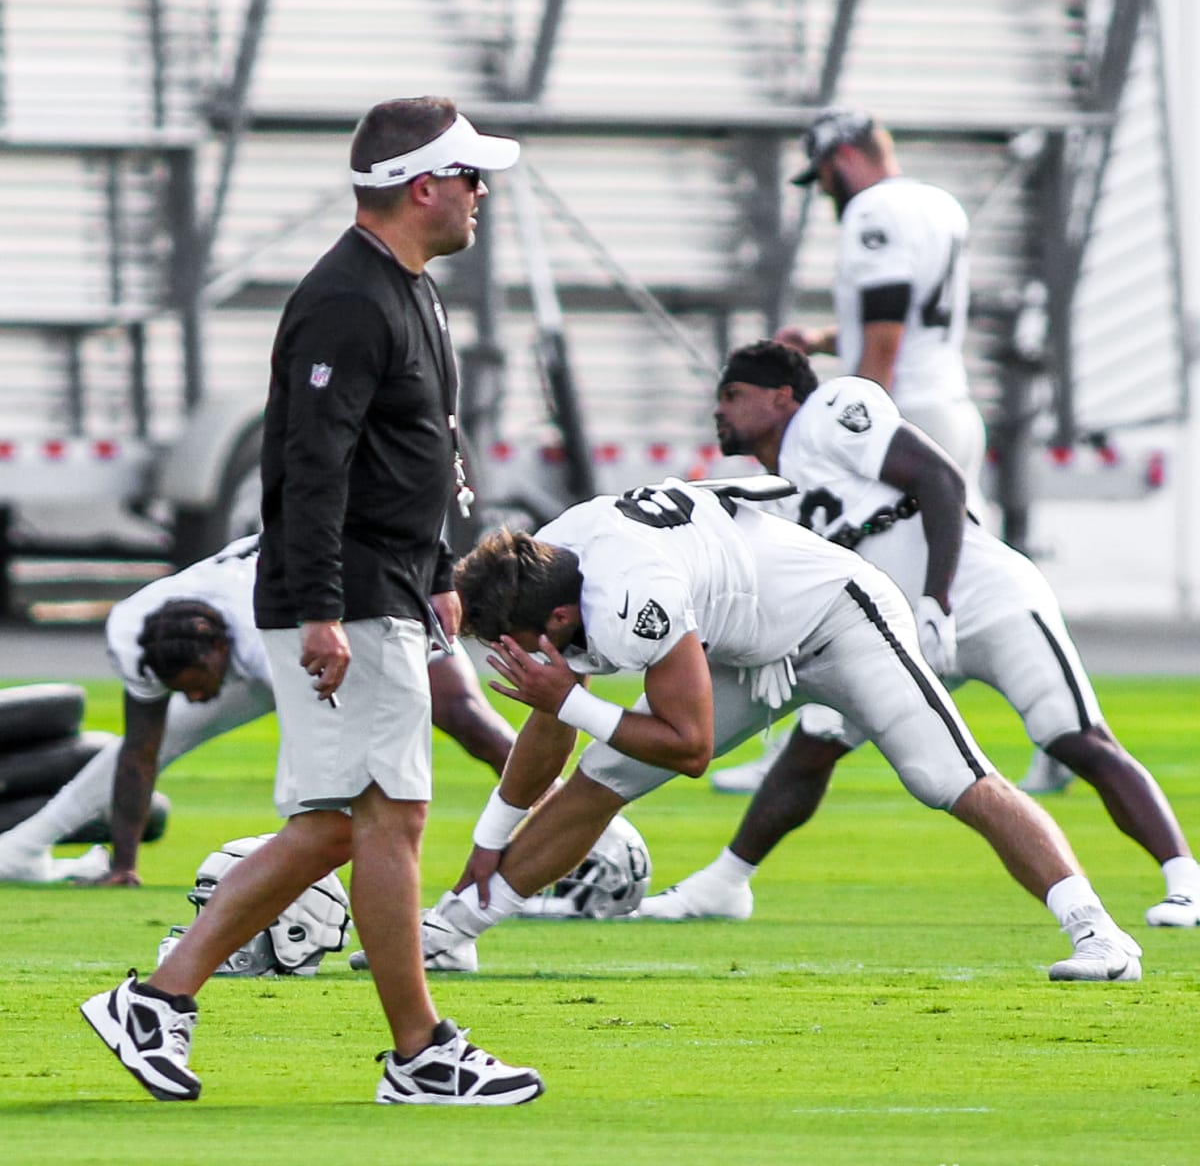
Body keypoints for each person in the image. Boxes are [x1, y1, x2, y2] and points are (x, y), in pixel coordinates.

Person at [80, 95, 543, 1106]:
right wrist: (328, 606)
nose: (482, 192)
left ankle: (158, 1001)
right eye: (469, 175)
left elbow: (412, 452)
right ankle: (419, 1054)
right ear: (421, 186)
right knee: (393, 818)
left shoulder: (406, 288)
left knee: (347, 824)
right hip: (344, 596)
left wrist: (436, 571)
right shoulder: (348, 297)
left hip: (385, 587)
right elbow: (313, 464)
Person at [411, 475, 1142, 985]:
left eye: (517, 642)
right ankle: (451, 933)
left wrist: (571, 698)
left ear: (561, 619)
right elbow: (551, 733)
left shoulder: (631, 592)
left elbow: (690, 748)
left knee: (949, 777)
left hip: (838, 618)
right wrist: (487, 839)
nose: (512, 658)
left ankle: (1099, 933)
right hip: (745, 647)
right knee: (601, 781)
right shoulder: (550, 561)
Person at [638, 341, 1200, 930]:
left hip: (980, 598)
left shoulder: (831, 410)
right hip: (889, 632)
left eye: (732, 395)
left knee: (1074, 737)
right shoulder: (773, 492)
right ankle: (724, 885)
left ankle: (1184, 879)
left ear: (782, 397)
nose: (719, 411)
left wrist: (938, 597)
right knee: (812, 747)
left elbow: (939, 478)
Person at [711, 106, 987, 797]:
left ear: (843, 157)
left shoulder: (873, 211)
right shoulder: (937, 205)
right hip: (951, 404)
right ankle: (1057, 724)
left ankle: (801, 736)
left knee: (847, 588)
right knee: (969, 589)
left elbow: (889, 330)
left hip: (909, 416)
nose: (827, 191)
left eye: (826, 175)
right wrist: (825, 338)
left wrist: (863, 409)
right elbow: (909, 315)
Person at [0, 535, 516, 885]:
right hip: (281, 618)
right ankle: (26, 846)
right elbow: (140, 752)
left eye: (196, 687)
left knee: (464, 718)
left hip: (357, 607)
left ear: (218, 653)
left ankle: (580, 832)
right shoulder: (134, 631)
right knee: (161, 737)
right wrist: (124, 865)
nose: (195, 697)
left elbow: (324, 746)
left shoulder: (260, 647)